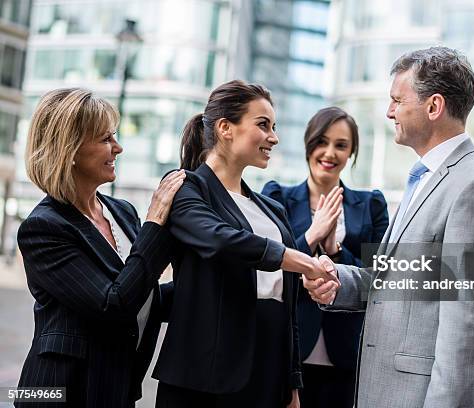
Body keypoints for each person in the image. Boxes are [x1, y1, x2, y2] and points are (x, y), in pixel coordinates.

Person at [306, 46, 474, 407]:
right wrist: (340, 280)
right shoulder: (423, 178)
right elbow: (395, 278)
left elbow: (466, 326)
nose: (389, 111)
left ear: (433, 107)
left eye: (397, 100)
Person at [152, 80, 336, 408]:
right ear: (225, 128)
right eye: (263, 125)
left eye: (274, 127)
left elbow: (288, 304)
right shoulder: (186, 188)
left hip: (267, 376)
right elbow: (221, 240)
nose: (274, 137)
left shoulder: (271, 209)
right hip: (204, 378)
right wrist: (303, 260)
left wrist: (292, 382)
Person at [16, 88, 185, 408]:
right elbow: (115, 305)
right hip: (58, 394)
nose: (118, 147)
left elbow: (147, 298)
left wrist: (219, 280)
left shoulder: (121, 211)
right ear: (71, 149)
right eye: (106, 139)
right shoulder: (44, 228)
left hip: (116, 389)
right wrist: (155, 226)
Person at [262, 107, 389, 408]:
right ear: (308, 144)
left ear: (351, 153)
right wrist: (310, 236)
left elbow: (382, 280)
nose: (330, 153)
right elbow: (267, 270)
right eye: (322, 141)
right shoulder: (277, 197)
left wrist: (335, 252)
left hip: (347, 354)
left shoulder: (372, 205)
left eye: (341, 145)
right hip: (287, 352)